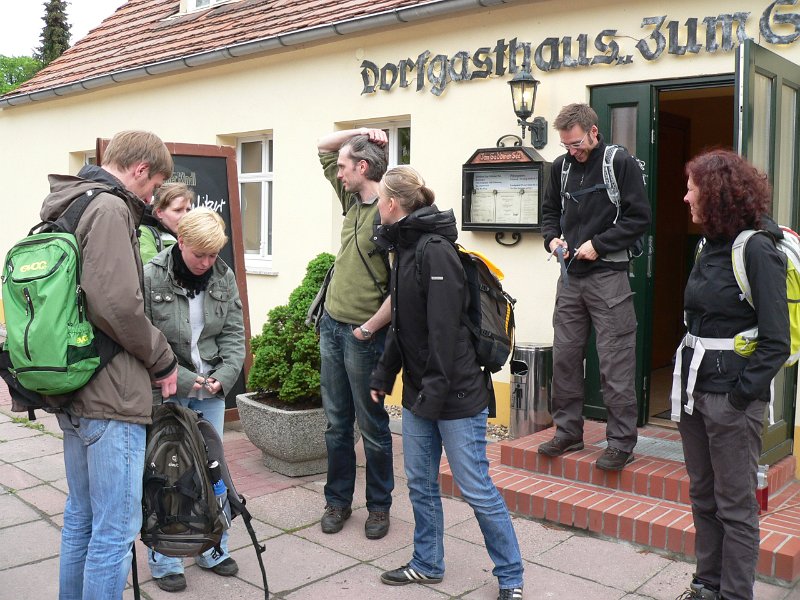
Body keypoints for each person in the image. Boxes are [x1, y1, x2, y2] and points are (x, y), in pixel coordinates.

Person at [369, 166, 524, 600]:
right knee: (420, 483)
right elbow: (403, 325)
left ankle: (511, 576)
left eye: (379, 199)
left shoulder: (435, 251)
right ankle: (427, 563)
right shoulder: (404, 249)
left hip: (455, 394)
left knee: (476, 487)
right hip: (423, 393)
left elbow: (444, 331)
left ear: (392, 204)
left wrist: (432, 394)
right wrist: (384, 374)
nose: (377, 206)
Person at [39, 130, 179, 600]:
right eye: (153, 185)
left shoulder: (71, 202)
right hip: (110, 394)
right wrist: (162, 359)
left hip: (74, 382)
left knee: (81, 516)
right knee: (115, 529)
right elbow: (117, 305)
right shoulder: (110, 208)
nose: (151, 197)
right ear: (140, 170)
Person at [671, 150, 789, 600]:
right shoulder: (707, 246)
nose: (685, 198)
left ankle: (735, 594)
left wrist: (740, 399)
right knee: (703, 496)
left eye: (692, 190)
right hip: (694, 392)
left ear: (715, 194)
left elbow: (776, 341)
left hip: (731, 401)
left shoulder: (756, 249)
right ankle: (707, 584)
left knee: (736, 507)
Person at [539, 103, 651, 470]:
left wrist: (599, 245)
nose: (572, 151)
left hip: (609, 278)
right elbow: (549, 213)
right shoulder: (561, 167)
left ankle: (620, 442)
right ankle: (568, 432)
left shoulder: (620, 163)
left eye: (577, 143)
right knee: (565, 358)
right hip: (570, 277)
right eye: (566, 145)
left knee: (616, 361)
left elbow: (639, 218)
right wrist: (551, 239)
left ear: (593, 132)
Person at [143, 207, 245, 592]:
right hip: (169, 389)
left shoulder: (223, 275)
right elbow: (145, 340)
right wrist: (185, 378)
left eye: (213, 254)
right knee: (169, 472)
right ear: (180, 241)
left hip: (210, 391)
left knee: (213, 470)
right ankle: (166, 556)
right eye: (199, 254)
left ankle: (213, 546)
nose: (206, 262)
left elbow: (234, 333)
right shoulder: (151, 275)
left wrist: (224, 376)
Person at [315, 128, 394, 539]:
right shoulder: (350, 199)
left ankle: (378, 507)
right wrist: (360, 132)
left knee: (373, 426)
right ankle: (338, 501)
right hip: (331, 326)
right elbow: (323, 145)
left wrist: (368, 329)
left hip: (365, 336)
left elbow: (402, 288)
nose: (339, 172)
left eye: (345, 167)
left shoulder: (391, 211)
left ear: (362, 168)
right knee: (336, 424)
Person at [139, 182, 193, 263]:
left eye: (188, 210)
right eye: (178, 210)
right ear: (159, 212)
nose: (185, 216)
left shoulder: (193, 235)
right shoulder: (143, 234)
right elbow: (152, 269)